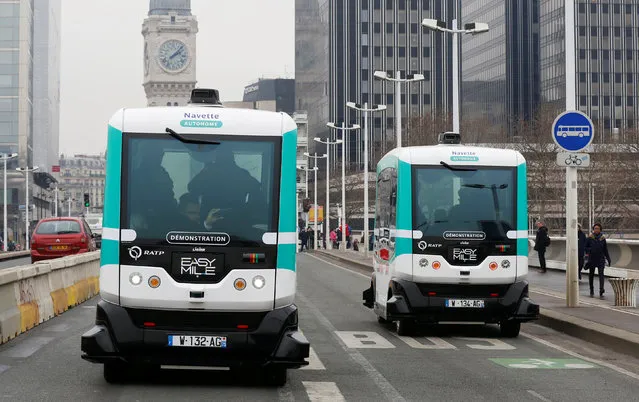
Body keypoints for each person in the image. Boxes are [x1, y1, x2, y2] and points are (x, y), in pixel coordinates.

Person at [585, 223, 611, 298]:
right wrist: (590, 250)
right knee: (591, 275)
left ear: (600, 230)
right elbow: (585, 248)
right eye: (595, 228)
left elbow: (605, 250)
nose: (596, 230)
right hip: (592, 259)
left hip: (600, 259)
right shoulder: (590, 238)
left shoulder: (602, 238)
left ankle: (601, 290)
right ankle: (591, 289)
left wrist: (608, 259)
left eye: (598, 228)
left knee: (601, 274)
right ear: (593, 229)